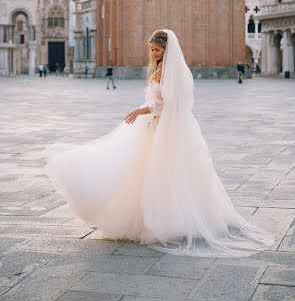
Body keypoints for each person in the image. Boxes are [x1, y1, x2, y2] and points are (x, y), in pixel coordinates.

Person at [45, 30, 273, 257]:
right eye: (151, 49)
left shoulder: (166, 71)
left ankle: (165, 220)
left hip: (161, 126)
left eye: (157, 49)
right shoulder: (168, 69)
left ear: (166, 49)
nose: (153, 53)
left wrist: (137, 111)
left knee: (155, 172)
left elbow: (160, 106)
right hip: (164, 126)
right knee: (154, 171)